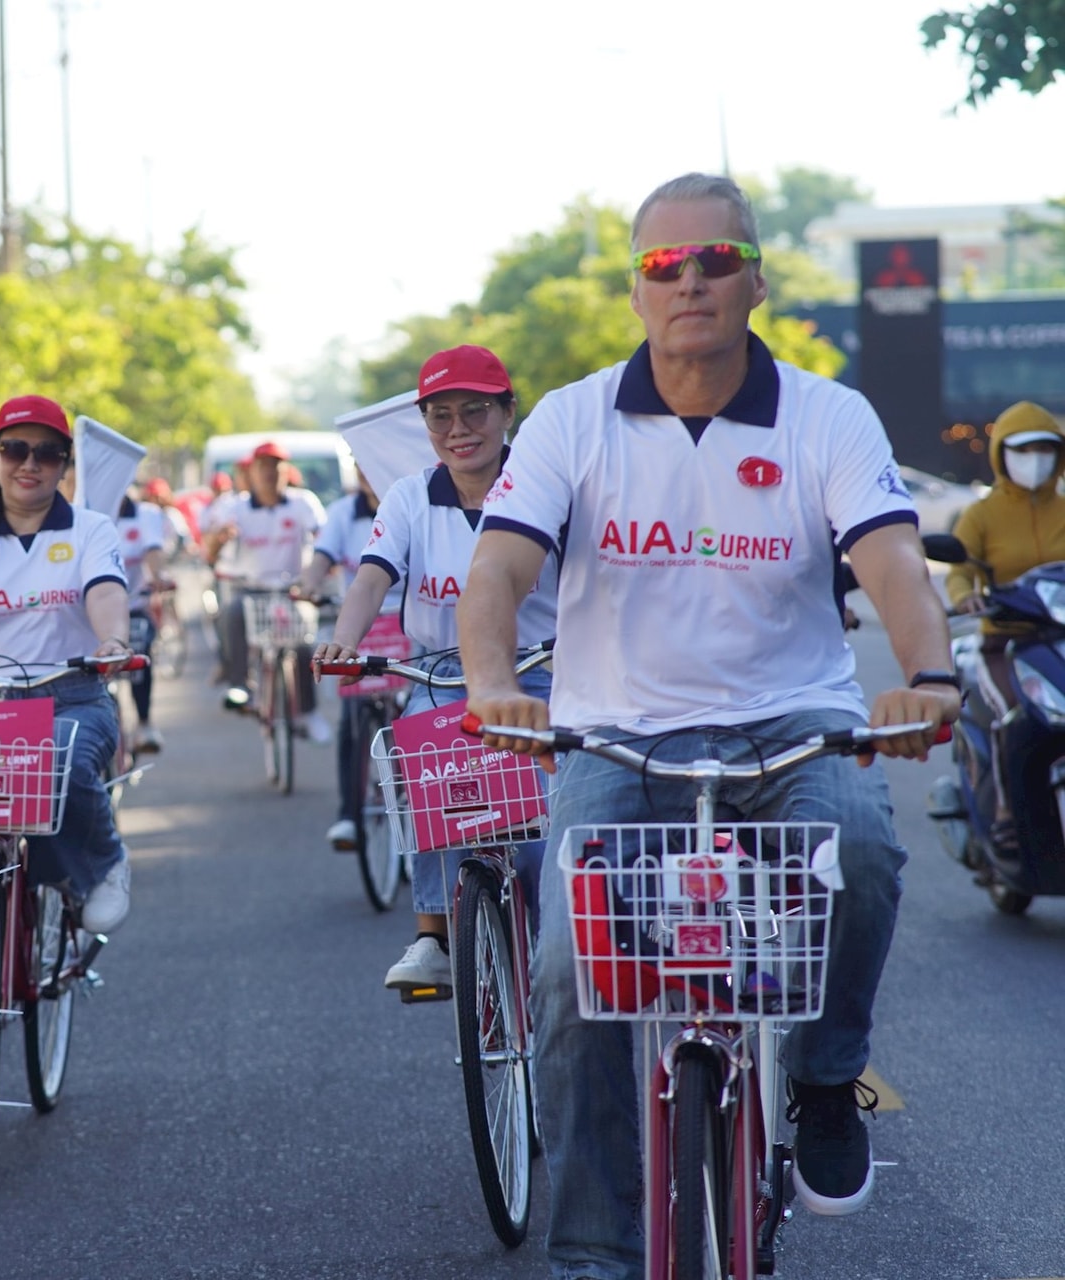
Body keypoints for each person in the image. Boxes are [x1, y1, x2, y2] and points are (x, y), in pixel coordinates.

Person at [457, 173, 960, 1277]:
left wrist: (930, 674)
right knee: (566, 979)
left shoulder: (828, 414)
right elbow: (495, 569)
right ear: (637, 290)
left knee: (866, 849)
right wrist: (493, 681)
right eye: (662, 265)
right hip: (614, 735)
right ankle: (591, 1249)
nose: (690, 280)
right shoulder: (570, 419)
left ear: (755, 279)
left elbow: (891, 562)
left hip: (794, 725)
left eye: (715, 260)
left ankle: (827, 1079)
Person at [311, 348, 560, 997]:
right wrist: (344, 640)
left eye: (475, 410)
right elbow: (373, 576)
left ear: (508, 411)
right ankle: (434, 936)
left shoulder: (547, 485)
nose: (459, 428)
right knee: (417, 757)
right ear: (425, 424)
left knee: (547, 818)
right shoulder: (409, 496)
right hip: (442, 678)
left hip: (542, 674)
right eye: (441, 415)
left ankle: (554, 935)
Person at [0, 394, 137, 934]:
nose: (30, 464)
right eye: (15, 449)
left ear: (65, 464)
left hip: (72, 699)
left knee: (60, 766)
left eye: (47, 454)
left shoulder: (89, 530)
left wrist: (113, 640)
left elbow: (106, 593)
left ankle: (104, 863)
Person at [945, 400, 1065, 842]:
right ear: (1001, 455)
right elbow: (958, 570)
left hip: (1059, 642)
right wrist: (966, 597)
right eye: (1023, 450)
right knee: (1011, 716)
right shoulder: (982, 514)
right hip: (1004, 644)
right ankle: (1005, 813)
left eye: (1045, 450)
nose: (1035, 461)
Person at [298, 468, 402, 852]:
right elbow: (322, 557)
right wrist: (310, 583)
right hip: (362, 626)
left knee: (422, 716)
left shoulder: (409, 497)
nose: (365, 471)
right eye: (357, 461)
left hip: (412, 627)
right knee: (354, 716)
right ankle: (348, 814)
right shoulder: (343, 512)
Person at [203, 441, 329, 739]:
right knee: (232, 614)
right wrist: (220, 538)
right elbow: (210, 551)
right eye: (264, 466)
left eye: (276, 466)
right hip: (251, 589)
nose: (270, 473)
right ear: (253, 471)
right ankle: (240, 685)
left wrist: (319, 571)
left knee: (301, 644)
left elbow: (323, 540)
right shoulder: (235, 507)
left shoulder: (303, 503)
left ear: (286, 471)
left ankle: (309, 713)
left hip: (291, 590)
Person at [117, 486, 172, 754]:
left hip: (133, 606)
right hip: (85, 615)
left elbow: (153, 551)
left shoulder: (144, 514)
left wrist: (158, 575)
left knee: (139, 648)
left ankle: (144, 721)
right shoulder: (78, 509)